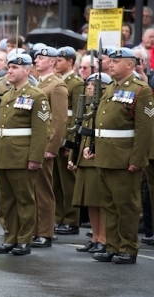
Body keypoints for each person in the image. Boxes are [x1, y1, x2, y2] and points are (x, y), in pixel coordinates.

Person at [90, 48, 154, 264]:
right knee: (108, 205)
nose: (110, 65)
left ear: (129, 65)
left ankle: (128, 247)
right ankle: (113, 245)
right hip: (106, 156)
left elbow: (145, 130)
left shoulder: (140, 90)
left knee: (126, 205)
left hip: (124, 158)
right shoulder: (110, 89)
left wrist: (137, 159)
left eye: (116, 62)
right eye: (111, 61)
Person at [0, 53, 50, 256]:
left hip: (21, 156)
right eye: (10, 67)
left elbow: (41, 131)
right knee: (6, 201)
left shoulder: (36, 95)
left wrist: (35, 158)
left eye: (15, 67)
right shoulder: (6, 95)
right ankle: (10, 237)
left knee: (24, 200)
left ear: (27, 70)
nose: (10, 70)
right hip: (4, 154)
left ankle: (24, 239)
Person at [70, 72, 113, 254]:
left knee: (100, 201)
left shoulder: (103, 107)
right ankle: (95, 237)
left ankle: (104, 238)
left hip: (96, 158)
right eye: (87, 85)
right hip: (84, 157)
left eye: (92, 86)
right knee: (90, 201)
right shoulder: (87, 106)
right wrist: (73, 157)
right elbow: (78, 133)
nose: (88, 88)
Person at [32, 47, 68, 248]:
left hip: (45, 143)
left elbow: (60, 120)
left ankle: (45, 232)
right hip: (34, 143)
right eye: (37, 57)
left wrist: (52, 147)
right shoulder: (37, 83)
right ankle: (35, 229)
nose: (37, 60)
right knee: (32, 189)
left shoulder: (56, 86)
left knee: (43, 189)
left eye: (42, 57)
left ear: (53, 62)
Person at [53, 46, 84, 235]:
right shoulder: (58, 82)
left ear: (70, 62)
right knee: (56, 182)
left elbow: (76, 116)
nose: (56, 63)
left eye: (60, 60)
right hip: (56, 137)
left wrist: (70, 143)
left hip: (67, 137)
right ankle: (58, 217)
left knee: (68, 182)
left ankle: (72, 219)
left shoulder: (76, 83)